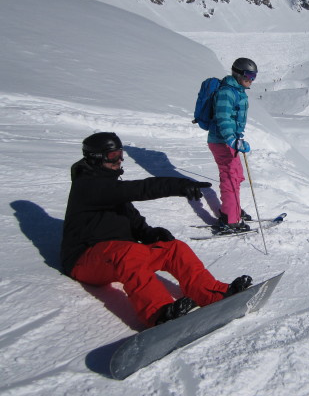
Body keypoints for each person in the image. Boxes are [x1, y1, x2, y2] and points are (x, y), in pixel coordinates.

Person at [61, 132, 253, 327]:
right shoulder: (86, 186)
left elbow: (131, 217)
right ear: (96, 158)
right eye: (113, 156)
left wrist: (149, 233)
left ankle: (212, 293)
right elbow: (140, 189)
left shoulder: (111, 185)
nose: (119, 160)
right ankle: (159, 313)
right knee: (128, 253)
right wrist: (178, 185)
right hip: (85, 260)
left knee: (175, 249)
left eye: (120, 154)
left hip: (118, 254)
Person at [208, 57, 257, 233]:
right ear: (237, 74)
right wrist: (231, 138)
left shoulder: (238, 90)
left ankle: (232, 208)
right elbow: (223, 117)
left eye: (254, 76)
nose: (251, 80)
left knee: (236, 175)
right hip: (221, 142)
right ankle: (230, 219)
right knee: (230, 178)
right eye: (248, 75)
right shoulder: (227, 92)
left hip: (230, 141)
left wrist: (237, 138)